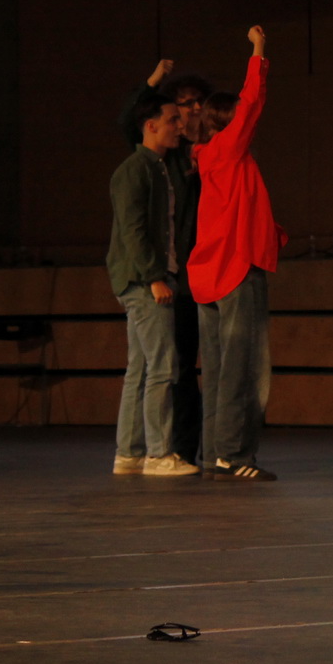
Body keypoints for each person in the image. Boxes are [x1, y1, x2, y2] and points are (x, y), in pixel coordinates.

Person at [188, 25, 280, 481]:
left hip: (209, 273)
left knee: (219, 369)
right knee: (243, 371)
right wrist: (258, 50)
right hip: (235, 269)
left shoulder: (212, 158)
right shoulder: (228, 149)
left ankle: (213, 454)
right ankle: (233, 454)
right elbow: (252, 102)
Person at [119, 60, 213, 465]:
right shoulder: (159, 160)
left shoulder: (210, 150)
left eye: (199, 102)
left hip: (197, 272)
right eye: (184, 105)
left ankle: (166, 449)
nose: (193, 110)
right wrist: (153, 81)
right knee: (164, 368)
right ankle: (163, 450)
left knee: (176, 365)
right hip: (168, 274)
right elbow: (133, 122)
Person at [106, 93, 199, 477]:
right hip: (144, 281)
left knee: (141, 368)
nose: (180, 126)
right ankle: (159, 453)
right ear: (151, 126)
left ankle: (129, 453)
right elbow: (134, 230)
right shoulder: (135, 169)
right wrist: (155, 278)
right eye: (172, 120)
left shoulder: (156, 167)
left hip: (147, 278)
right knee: (162, 366)